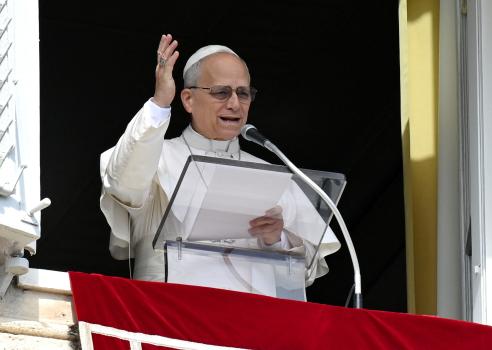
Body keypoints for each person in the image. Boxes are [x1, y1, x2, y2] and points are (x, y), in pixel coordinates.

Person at [99, 34, 340, 290]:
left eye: (243, 93)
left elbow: (305, 274)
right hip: (170, 317)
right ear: (188, 100)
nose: (235, 104)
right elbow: (123, 184)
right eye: (221, 92)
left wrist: (277, 238)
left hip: (253, 321)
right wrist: (160, 103)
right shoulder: (158, 157)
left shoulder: (271, 172)